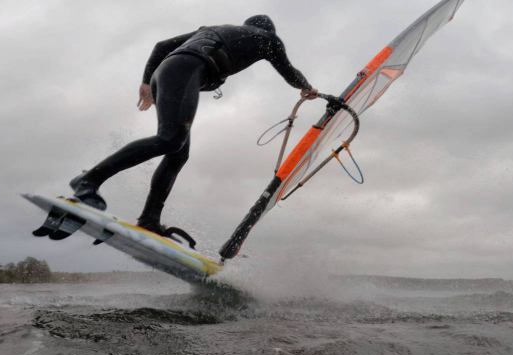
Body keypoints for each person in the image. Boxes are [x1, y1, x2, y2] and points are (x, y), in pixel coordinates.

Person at [49, 16, 318, 241]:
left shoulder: (213, 29)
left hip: (166, 72)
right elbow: (288, 70)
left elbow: (161, 45)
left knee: (177, 151)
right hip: (187, 69)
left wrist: (146, 82)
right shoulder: (267, 38)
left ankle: (149, 220)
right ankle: (88, 181)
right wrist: (306, 87)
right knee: (169, 139)